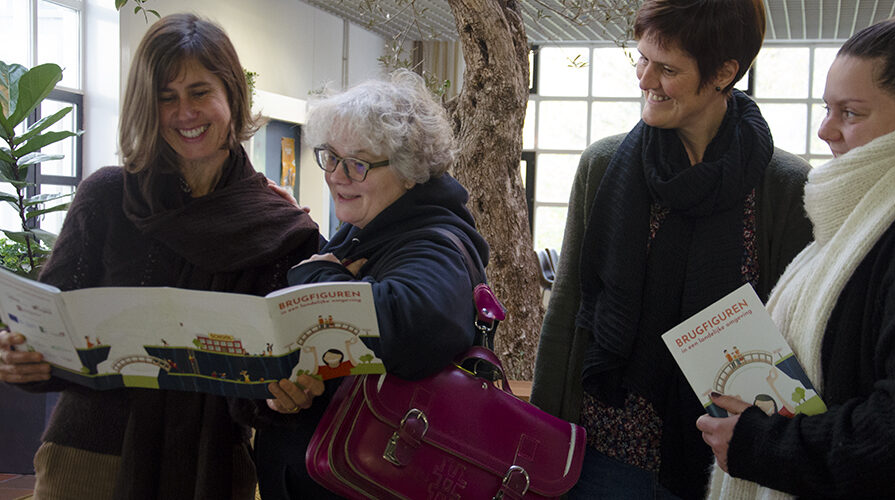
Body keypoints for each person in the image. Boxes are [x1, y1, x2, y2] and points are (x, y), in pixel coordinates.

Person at [0, 13, 320, 499]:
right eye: (165, 97)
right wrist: (18, 357)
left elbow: (267, 384)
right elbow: (48, 328)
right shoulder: (107, 198)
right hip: (88, 461)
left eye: (199, 92)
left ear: (231, 94)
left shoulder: (280, 228)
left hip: (213, 469)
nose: (184, 113)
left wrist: (288, 396)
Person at [697, 1, 895, 497]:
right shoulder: (882, 219)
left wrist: (761, 443)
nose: (825, 131)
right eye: (826, 109)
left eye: (851, 113)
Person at [529, 0, 813, 497]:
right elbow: (570, 307)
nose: (644, 79)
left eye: (667, 69)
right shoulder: (604, 166)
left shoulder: (786, 187)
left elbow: (798, 330)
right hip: (605, 452)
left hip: (728, 459)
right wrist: (540, 433)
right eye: (641, 59)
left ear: (725, 72)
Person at [249, 69, 489, 499]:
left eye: (358, 163)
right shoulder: (376, 225)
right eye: (331, 157)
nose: (338, 175)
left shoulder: (433, 242)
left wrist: (316, 274)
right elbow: (361, 281)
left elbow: (415, 323)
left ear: (410, 169)